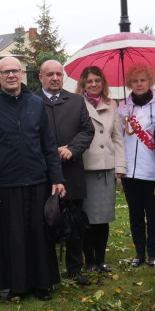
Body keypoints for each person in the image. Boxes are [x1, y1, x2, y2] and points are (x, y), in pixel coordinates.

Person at [0, 56, 65, 300]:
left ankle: (42, 284)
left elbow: (49, 144)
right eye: (5, 72)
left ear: (23, 73)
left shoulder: (36, 105)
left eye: (15, 71)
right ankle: (16, 287)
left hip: (38, 181)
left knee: (39, 234)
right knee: (12, 238)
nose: (11, 75)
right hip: (6, 185)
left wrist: (57, 178)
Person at [38, 59, 95, 285]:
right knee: (45, 221)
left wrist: (72, 148)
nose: (55, 78)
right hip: (42, 174)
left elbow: (87, 130)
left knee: (74, 223)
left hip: (71, 171)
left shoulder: (76, 101)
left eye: (58, 74)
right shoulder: (31, 102)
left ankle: (74, 268)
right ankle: (48, 270)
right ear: (40, 77)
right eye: (49, 74)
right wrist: (50, 154)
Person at [75, 66, 125, 273]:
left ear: (103, 83)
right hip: (85, 166)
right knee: (87, 218)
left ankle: (101, 259)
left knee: (103, 218)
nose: (94, 84)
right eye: (89, 81)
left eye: (98, 80)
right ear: (83, 84)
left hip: (106, 166)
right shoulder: (76, 103)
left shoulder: (112, 104)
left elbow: (117, 137)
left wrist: (120, 165)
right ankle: (89, 260)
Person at [118, 62, 155, 267]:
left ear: (150, 81)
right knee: (135, 214)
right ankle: (140, 252)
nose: (139, 84)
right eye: (135, 80)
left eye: (143, 80)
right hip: (130, 171)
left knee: (153, 215)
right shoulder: (123, 106)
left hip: (153, 170)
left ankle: (153, 252)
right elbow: (119, 136)